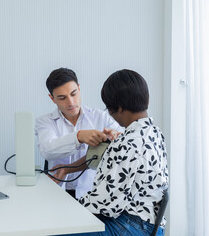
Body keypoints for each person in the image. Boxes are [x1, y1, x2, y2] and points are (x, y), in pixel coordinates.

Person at [58, 69, 169, 236]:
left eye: (109, 109)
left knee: (56, 229)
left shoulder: (126, 142)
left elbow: (106, 204)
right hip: (153, 226)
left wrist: (72, 207)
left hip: (129, 226)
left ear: (119, 107)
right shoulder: (154, 132)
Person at [35, 68, 122, 199]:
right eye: (62, 98)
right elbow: (47, 150)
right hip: (59, 194)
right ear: (52, 98)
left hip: (95, 194)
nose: (71, 102)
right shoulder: (45, 122)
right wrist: (78, 137)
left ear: (79, 88)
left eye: (73, 93)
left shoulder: (101, 117)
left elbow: (124, 141)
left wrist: (115, 135)